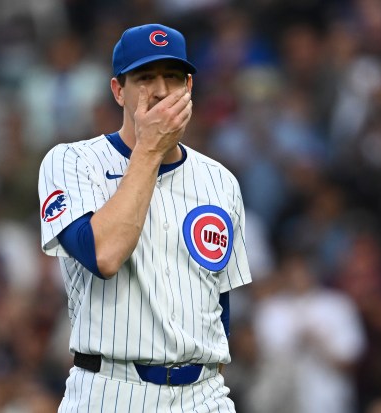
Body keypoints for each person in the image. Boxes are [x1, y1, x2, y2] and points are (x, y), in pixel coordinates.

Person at [37, 23, 252, 412]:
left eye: (172, 77)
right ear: (118, 90)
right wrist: (151, 148)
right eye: (145, 77)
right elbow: (104, 254)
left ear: (189, 88)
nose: (160, 90)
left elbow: (220, 307)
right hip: (111, 388)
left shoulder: (220, 180)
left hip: (203, 394)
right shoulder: (71, 162)